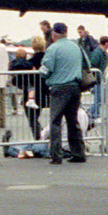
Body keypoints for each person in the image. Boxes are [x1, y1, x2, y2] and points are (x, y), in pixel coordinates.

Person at [40, 22, 87, 164]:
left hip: (59, 88)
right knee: (73, 121)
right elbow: (87, 65)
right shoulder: (76, 46)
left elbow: (46, 69)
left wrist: (42, 74)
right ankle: (78, 153)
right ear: (66, 32)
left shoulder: (53, 48)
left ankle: (56, 155)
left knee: (55, 122)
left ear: (54, 34)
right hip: (75, 87)